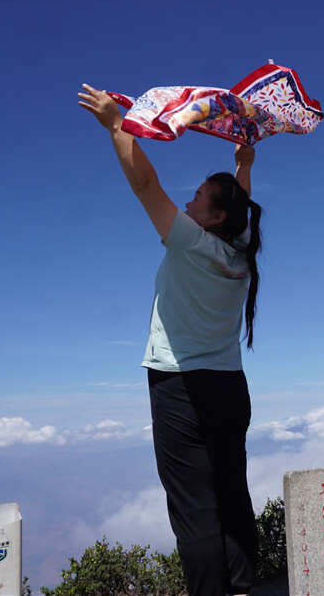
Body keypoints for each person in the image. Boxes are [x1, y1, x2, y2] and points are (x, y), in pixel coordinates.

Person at [78, 84, 261, 596]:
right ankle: (245, 587)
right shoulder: (242, 251)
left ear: (214, 217)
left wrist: (117, 126)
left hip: (182, 390)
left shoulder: (190, 242)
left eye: (198, 199)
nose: (187, 201)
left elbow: (145, 185)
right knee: (231, 493)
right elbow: (240, 206)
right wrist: (243, 164)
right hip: (230, 387)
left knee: (194, 509)